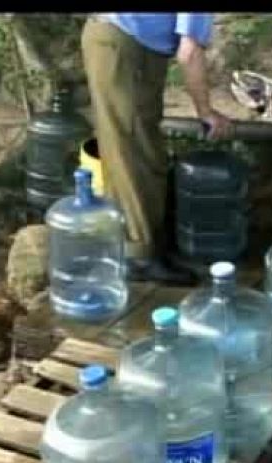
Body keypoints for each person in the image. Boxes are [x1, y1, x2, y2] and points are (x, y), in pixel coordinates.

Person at [82, 13, 233, 284]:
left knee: (128, 148)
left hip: (116, 40)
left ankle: (136, 248)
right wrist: (205, 111)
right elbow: (189, 52)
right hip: (125, 46)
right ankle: (139, 256)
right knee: (134, 152)